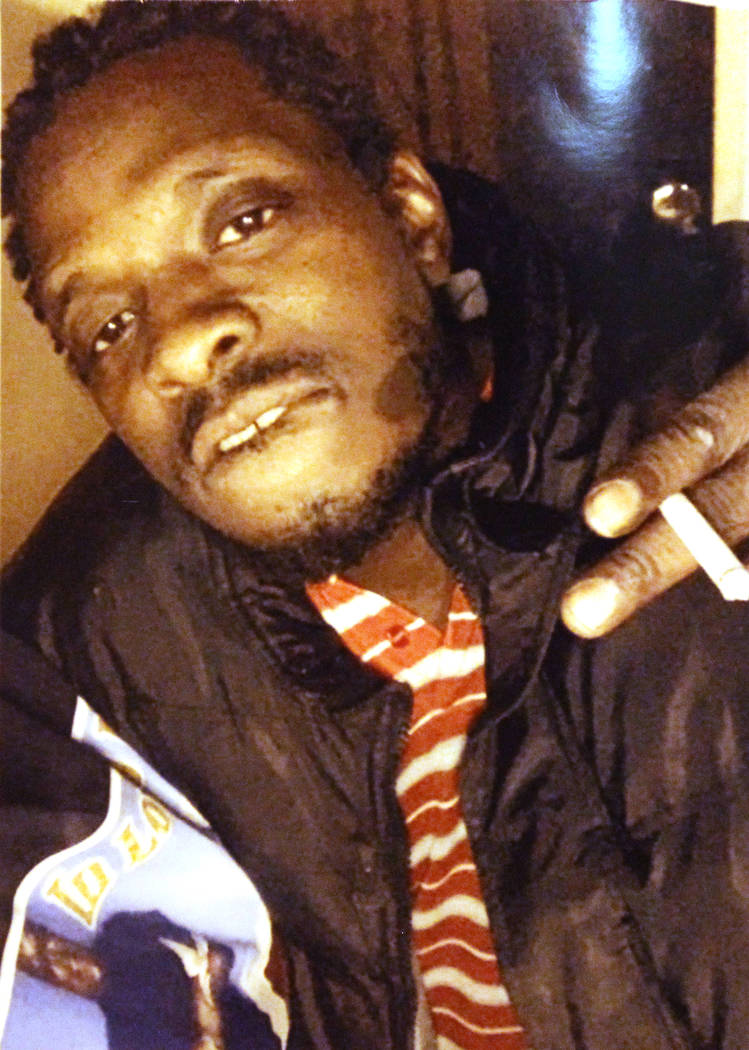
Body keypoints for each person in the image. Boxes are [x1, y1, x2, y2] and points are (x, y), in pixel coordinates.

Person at [1, 3, 748, 1048]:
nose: (176, 346)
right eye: (109, 326)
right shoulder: (77, 641)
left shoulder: (709, 378)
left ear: (408, 214)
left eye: (242, 221)